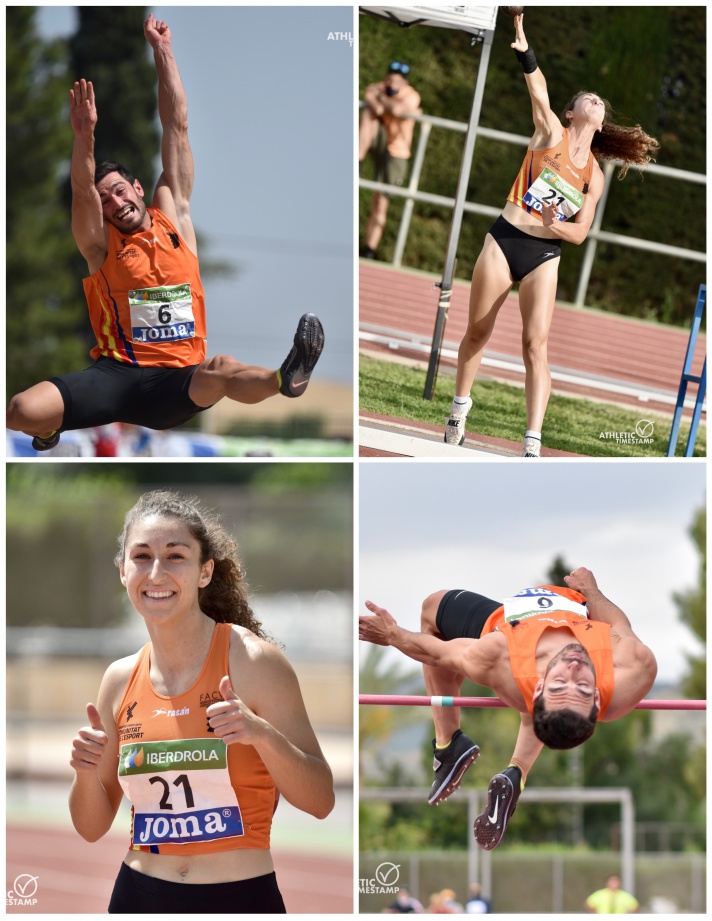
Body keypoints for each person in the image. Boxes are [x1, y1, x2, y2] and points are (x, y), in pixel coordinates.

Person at [7, 14, 324, 453]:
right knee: (20, 411)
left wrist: (163, 53)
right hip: (116, 375)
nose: (116, 203)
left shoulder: (174, 212)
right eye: (107, 201)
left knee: (222, 369)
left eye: (119, 191)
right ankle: (46, 431)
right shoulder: (99, 246)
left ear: (138, 188)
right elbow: (81, 190)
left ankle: (285, 378)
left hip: (177, 383)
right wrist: (84, 135)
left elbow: (176, 126)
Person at [69, 490, 334, 913]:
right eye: (141, 556)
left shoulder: (252, 663)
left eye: (175, 556)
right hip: (140, 895)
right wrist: (84, 774)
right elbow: (90, 827)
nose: (156, 573)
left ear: (204, 572)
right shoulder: (119, 680)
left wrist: (260, 734)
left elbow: (321, 801)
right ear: (122, 570)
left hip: (238, 897)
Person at [444, 12, 659, 456]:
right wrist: (524, 43)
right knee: (478, 333)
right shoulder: (549, 133)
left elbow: (580, 234)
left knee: (534, 345)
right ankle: (458, 412)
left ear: (600, 123)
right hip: (504, 241)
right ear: (571, 112)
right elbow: (538, 91)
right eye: (588, 97)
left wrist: (552, 224)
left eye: (600, 102)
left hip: (545, 252)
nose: (596, 101)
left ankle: (532, 442)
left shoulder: (593, 177)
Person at [359, 568, 657, 851]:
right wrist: (592, 591)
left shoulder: (496, 656)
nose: (574, 669)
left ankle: (448, 744)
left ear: (540, 686)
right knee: (545, 711)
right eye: (582, 688)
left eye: (560, 684)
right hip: (569, 610)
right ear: (596, 697)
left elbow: (436, 652)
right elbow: (619, 625)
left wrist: (393, 635)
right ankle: (517, 770)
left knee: (431, 608)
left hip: (511, 624)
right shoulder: (633, 667)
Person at [359, 61, 421, 259]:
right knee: (368, 113)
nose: (393, 83)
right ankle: (357, 160)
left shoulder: (412, 95)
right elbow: (374, 107)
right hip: (379, 140)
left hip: (397, 151)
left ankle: (369, 248)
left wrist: (381, 99)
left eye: (398, 80)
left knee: (380, 201)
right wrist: (384, 102)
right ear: (387, 78)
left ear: (404, 82)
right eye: (391, 78)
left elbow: (395, 111)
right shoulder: (378, 87)